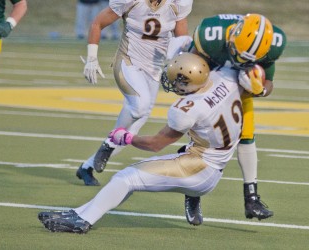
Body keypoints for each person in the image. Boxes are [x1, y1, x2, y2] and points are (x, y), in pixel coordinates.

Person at [38, 52, 245, 234]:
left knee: (126, 178)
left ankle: (83, 220)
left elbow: (155, 144)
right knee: (131, 179)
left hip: (200, 167)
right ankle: (79, 213)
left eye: (177, 79)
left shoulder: (187, 108)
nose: (172, 81)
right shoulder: (226, 77)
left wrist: (127, 137)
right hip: (213, 165)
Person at [166, 13, 287, 224]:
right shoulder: (211, 36)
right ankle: (193, 193)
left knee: (247, 134)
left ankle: (251, 199)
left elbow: (269, 82)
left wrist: (260, 90)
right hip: (211, 79)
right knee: (208, 141)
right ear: (232, 36)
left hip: (240, 84)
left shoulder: (274, 42)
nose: (241, 61)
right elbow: (193, 70)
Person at [76, 0, 193, 186]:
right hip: (129, 62)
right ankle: (110, 142)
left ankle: (87, 167)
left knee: (133, 130)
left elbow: (181, 41)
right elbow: (97, 23)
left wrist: (181, 67)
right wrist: (91, 58)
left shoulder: (178, 3)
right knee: (139, 107)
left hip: (155, 70)